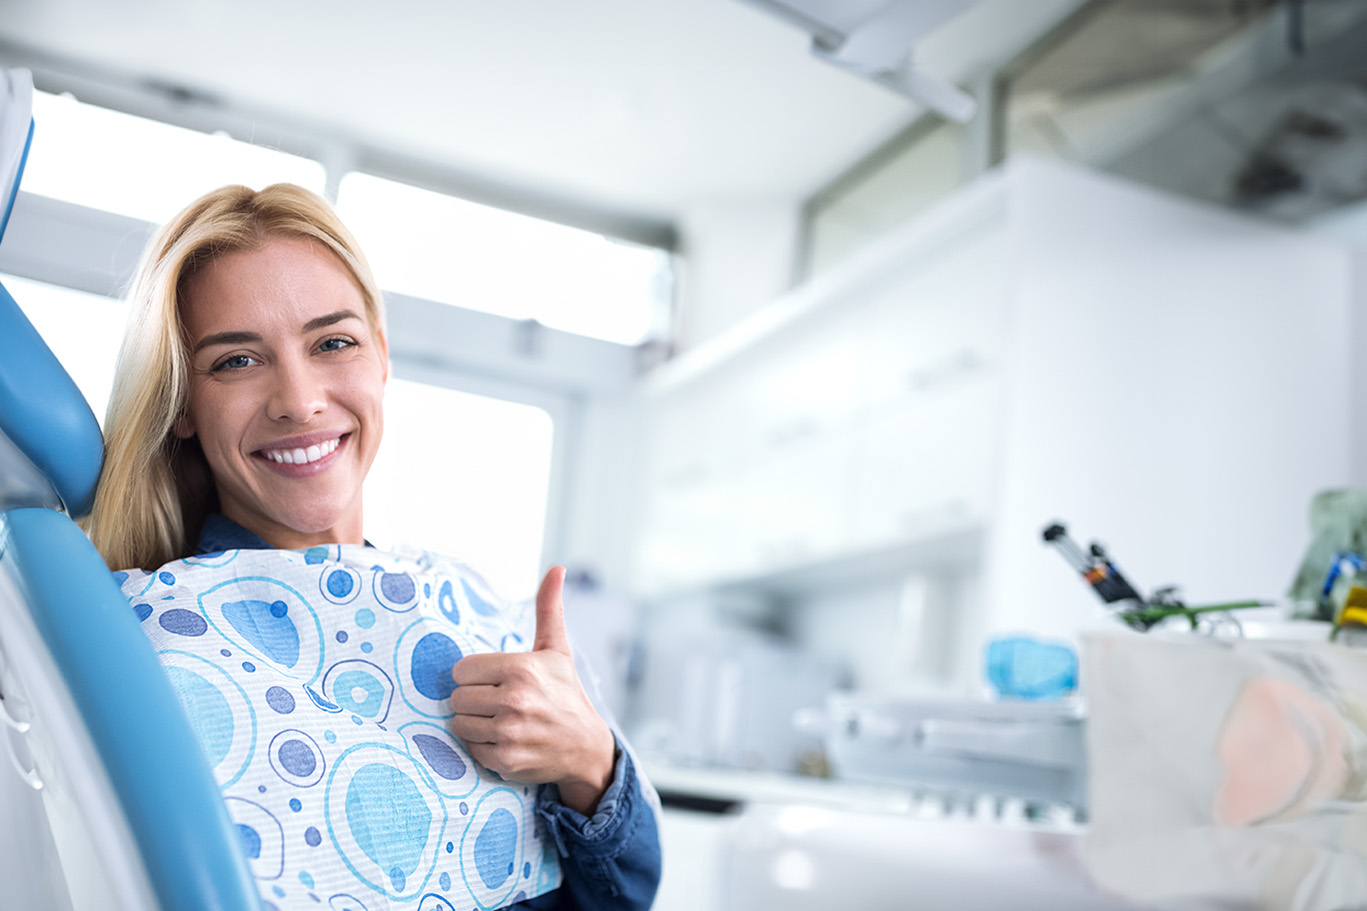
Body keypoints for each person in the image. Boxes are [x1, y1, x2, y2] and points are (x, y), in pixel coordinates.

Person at [84, 183, 661, 911]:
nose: (299, 399)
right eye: (236, 360)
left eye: (333, 342)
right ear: (183, 406)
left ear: (381, 359)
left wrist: (590, 761)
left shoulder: (486, 618)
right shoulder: (136, 642)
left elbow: (625, 894)